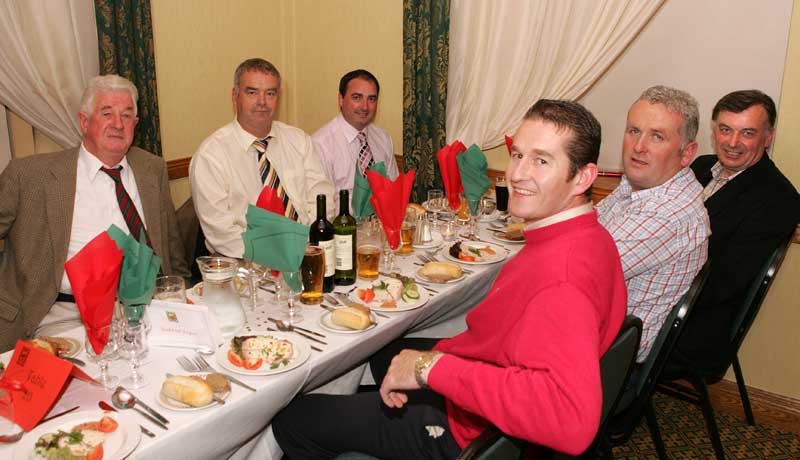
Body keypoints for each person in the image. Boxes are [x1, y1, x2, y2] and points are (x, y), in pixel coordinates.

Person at [273, 100, 627, 458]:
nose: (517, 174)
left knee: (292, 418)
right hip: (480, 388)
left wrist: (432, 367)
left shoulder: (562, 278)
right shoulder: (593, 237)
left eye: (541, 160)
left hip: (465, 432)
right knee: (384, 354)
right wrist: (432, 363)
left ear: (583, 177)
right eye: (517, 154)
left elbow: (569, 422)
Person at [0, 74, 189, 352]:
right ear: (84, 121)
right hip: (60, 317)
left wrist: (181, 296)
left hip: (142, 309)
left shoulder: (152, 169)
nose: (117, 124)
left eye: (127, 115)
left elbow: (172, 250)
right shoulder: (30, 176)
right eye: (107, 113)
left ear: (135, 125)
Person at [670, 90, 800, 369]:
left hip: (692, 323)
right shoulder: (701, 166)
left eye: (747, 133)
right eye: (725, 130)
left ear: (768, 138)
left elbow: (722, 285)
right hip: (667, 298)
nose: (732, 143)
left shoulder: (779, 198)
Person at [596, 85, 710, 363]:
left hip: (610, 356)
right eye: (634, 130)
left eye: (656, 136)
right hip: (598, 326)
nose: (638, 146)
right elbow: (584, 233)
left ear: (687, 153)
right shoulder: (641, 186)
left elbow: (577, 270)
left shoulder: (668, 213)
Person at [190, 58, 334, 257]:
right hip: (246, 264)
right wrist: (277, 256)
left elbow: (323, 198)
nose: (262, 102)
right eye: (252, 92)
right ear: (235, 96)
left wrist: (305, 244)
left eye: (270, 93)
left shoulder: (299, 140)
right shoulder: (211, 155)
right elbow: (222, 234)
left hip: (307, 252)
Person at [313, 69, 399, 213]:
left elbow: (394, 191)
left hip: (382, 226)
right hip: (343, 230)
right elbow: (323, 208)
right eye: (357, 97)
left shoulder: (383, 138)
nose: (365, 107)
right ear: (341, 100)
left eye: (371, 99)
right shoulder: (321, 144)